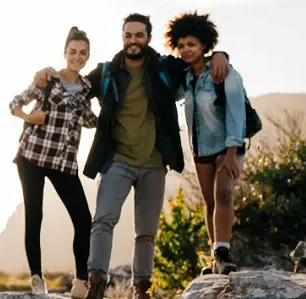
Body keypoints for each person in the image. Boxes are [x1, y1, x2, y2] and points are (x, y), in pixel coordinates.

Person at [33, 13, 231, 299]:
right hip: (117, 160)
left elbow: (196, 62)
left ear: (148, 37)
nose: (133, 40)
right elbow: (73, 86)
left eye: (139, 35)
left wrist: (220, 55)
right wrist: (48, 72)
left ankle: (141, 289)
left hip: (153, 163)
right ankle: (97, 283)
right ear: (122, 37)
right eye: (128, 35)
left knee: (146, 232)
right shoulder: (107, 72)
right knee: (102, 221)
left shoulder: (165, 67)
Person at [8, 26, 97, 298]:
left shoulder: (87, 89)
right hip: (32, 156)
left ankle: (81, 281)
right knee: (35, 216)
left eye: (82, 53)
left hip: (64, 162)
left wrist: (104, 118)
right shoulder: (47, 79)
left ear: (88, 56)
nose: (77, 57)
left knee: (83, 218)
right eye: (72, 51)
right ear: (65, 53)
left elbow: (88, 120)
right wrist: (29, 118)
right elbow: (14, 104)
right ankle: (36, 278)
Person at [165, 11, 247, 276]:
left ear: (204, 45)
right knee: (209, 202)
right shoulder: (186, 78)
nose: (187, 50)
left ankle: (224, 255)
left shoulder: (224, 72)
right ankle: (215, 257)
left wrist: (233, 152)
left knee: (223, 194)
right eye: (182, 45)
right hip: (200, 149)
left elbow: (236, 112)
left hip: (227, 146)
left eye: (192, 44)